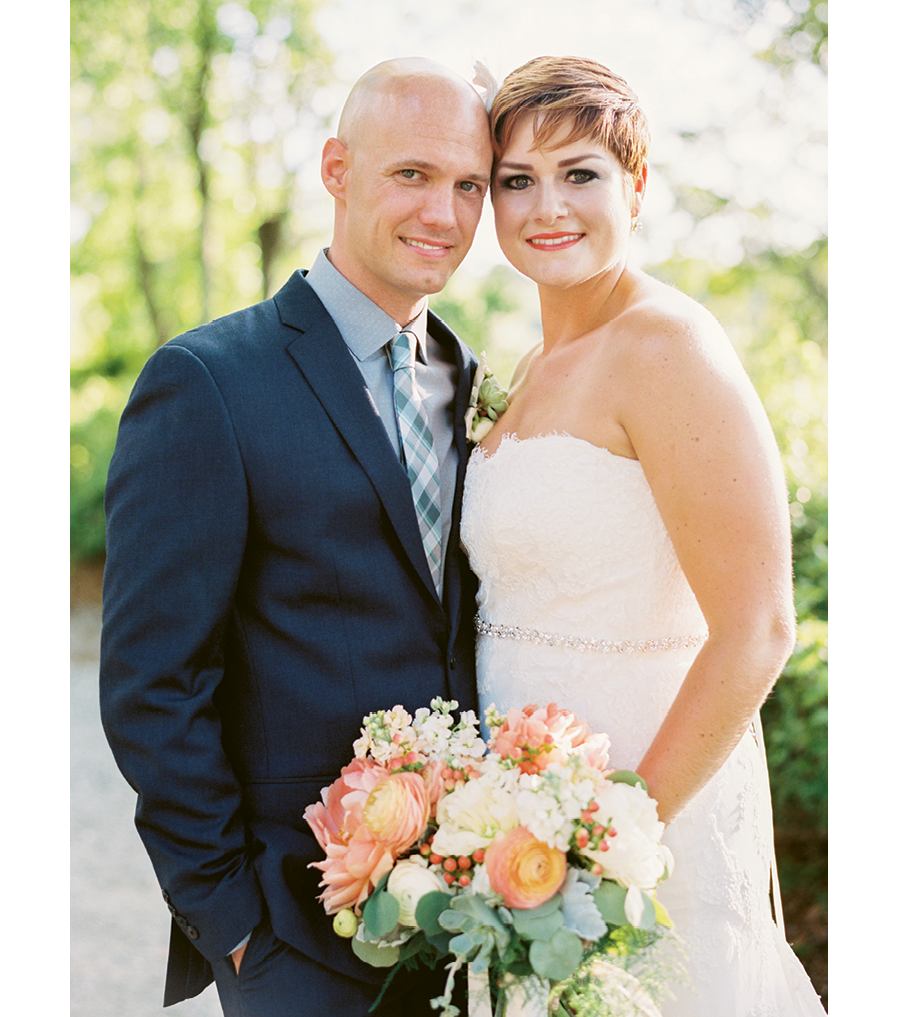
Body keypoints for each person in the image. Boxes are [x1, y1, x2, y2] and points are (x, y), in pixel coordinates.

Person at [100, 57, 493, 1017]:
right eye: (412, 173)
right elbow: (153, 683)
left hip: (476, 915)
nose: (443, 212)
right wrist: (230, 922)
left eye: (470, 185)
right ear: (336, 169)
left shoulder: (469, 376)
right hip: (292, 933)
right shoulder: (206, 382)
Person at [461, 56, 826, 1015]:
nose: (549, 205)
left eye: (580, 172)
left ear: (638, 184)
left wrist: (614, 837)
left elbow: (759, 628)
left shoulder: (669, 345)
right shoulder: (535, 363)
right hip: (513, 824)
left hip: (631, 823)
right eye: (516, 180)